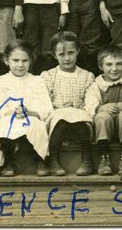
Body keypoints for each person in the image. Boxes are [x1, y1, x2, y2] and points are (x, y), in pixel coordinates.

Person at [0, 39, 54, 176]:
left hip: (32, 116)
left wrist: (30, 112)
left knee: (36, 125)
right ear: (6, 60)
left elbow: (45, 106)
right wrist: (12, 112)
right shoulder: (1, 80)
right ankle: (8, 161)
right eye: (15, 60)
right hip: (10, 116)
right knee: (5, 125)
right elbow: (0, 105)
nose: (20, 65)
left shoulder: (37, 80)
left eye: (24, 61)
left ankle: (40, 160)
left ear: (30, 61)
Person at [42, 32, 96, 176]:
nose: (67, 58)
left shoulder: (87, 76)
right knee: (60, 120)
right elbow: (45, 101)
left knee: (80, 120)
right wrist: (59, 108)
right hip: (57, 114)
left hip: (79, 113)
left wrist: (80, 109)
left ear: (78, 51)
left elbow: (91, 100)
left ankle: (87, 159)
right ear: (55, 55)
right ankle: (53, 160)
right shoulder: (49, 75)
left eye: (71, 53)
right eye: (62, 54)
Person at [84, 46, 122, 176]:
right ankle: (104, 158)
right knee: (102, 116)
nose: (114, 68)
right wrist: (100, 108)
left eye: (119, 64)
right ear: (101, 67)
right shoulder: (96, 85)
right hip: (103, 129)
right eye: (109, 64)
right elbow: (90, 106)